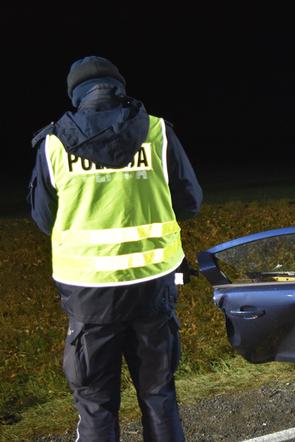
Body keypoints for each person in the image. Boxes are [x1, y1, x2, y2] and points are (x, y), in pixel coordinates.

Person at [28, 56, 202, 441]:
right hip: (154, 287)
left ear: (76, 94)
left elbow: (44, 219)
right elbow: (190, 204)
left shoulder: (54, 144)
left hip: (89, 296)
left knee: (96, 403)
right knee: (159, 395)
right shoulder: (158, 132)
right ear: (118, 87)